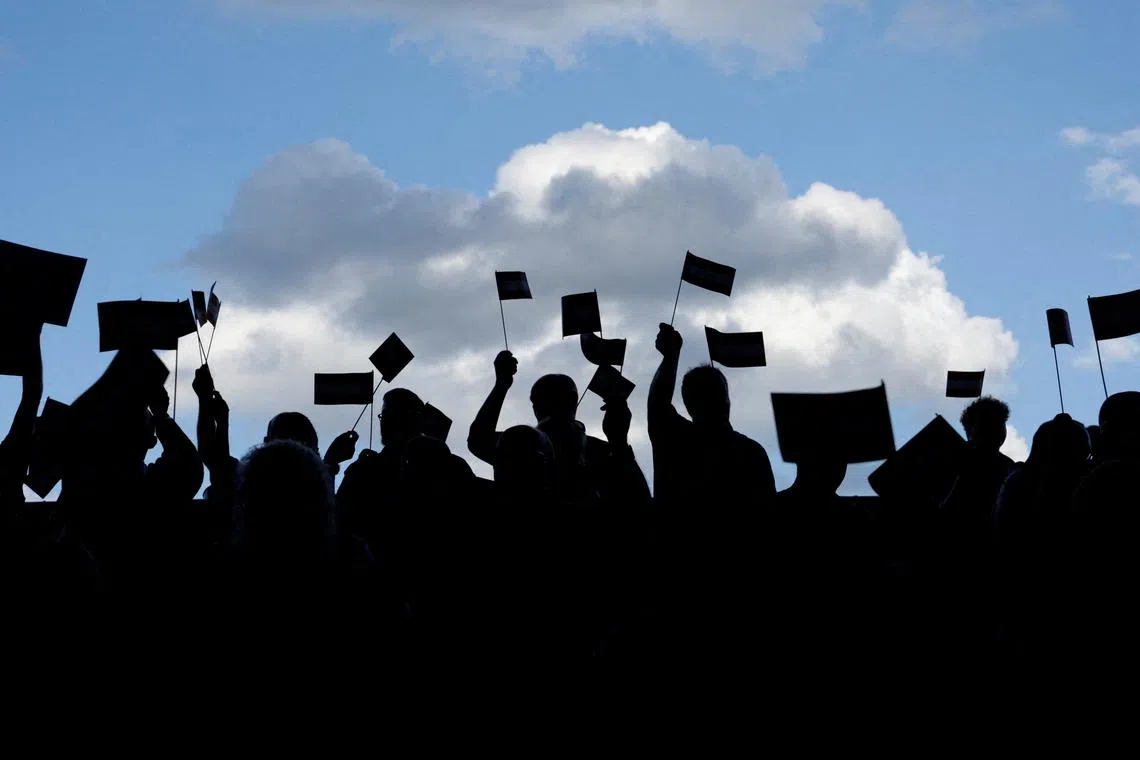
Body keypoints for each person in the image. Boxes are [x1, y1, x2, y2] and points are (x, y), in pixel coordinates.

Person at [467, 350, 649, 505]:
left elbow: (478, 440)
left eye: (544, 399)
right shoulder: (600, 450)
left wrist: (502, 385)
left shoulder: (521, 445)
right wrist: (619, 441)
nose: (538, 407)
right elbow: (641, 504)